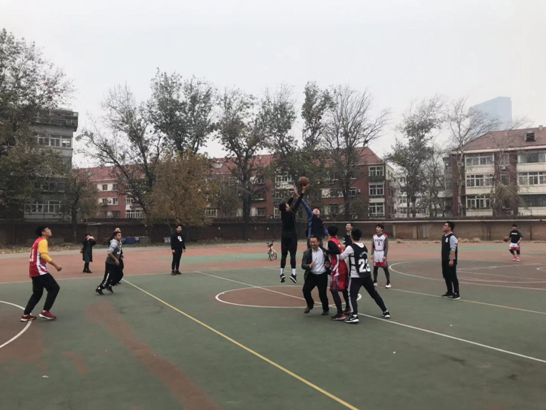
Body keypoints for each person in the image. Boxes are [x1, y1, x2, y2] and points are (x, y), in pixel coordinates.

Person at [338, 229, 390, 324]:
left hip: (356, 275)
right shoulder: (363, 246)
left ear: (351, 236)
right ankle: (385, 311)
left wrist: (340, 250)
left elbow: (341, 257)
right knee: (374, 294)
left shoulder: (351, 247)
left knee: (351, 295)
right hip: (366, 274)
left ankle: (354, 316)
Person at [21, 226, 62, 321]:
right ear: (43, 232)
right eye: (48, 229)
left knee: (37, 293)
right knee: (54, 288)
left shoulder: (37, 241)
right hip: (39, 270)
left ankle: (26, 314)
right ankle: (45, 311)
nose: (50, 230)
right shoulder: (43, 241)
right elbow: (44, 255)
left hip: (33, 270)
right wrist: (56, 265)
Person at [278, 185, 307, 283]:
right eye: (287, 206)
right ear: (286, 208)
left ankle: (281, 273)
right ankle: (293, 274)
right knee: (293, 255)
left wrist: (293, 195)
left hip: (284, 236)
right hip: (292, 236)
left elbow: (288, 202)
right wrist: (302, 192)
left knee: (283, 255)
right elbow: (298, 203)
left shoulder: (283, 213)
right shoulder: (291, 213)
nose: (288, 205)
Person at [324, 226, 349, 321]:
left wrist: (326, 251)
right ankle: (348, 307)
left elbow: (337, 251)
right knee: (344, 288)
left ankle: (340, 313)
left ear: (328, 232)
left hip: (337, 268)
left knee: (334, 290)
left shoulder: (331, 242)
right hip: (342, 266)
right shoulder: (337, 240)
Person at [301, 235, 330, 316]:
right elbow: (303, 265)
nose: (312, 244)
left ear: (318, 242)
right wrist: (310, 265)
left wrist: (328, 265)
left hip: (322, 275)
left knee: (322, 294)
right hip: (312, 275)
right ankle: (310, 304)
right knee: (305, 290)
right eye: (311, 242)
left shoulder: (324, 252)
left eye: (314, 242)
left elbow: (329, 261)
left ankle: (326, 309)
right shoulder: (307, 253)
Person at [96, 231, 122, 295]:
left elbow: (118, 251)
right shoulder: (114, 243)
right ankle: (99, 288)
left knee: (120, 274)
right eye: (118, 235)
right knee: (108, 277)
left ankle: (110, 285)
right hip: (110, 263)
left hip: (116, 262)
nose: (120, 236)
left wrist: (120, 256)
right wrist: (116, 259)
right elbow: (109, 253)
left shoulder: (119, 242)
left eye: (120, 235)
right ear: (115, 237)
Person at [441, 221, 460, 300]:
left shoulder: (452, 237)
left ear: (450, 228)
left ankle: (456, 293)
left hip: (450, 260)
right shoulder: (444, 236)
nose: (443, 227)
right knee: (446, 275)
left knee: (452, 276)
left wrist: (451, 260)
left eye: (445, 225)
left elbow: (453, 249)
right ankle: (449, 291)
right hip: (444, 259)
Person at [372, 224, 391, 288]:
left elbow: (386, 246)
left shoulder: (385, 236)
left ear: (382, 229)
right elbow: (372, 246)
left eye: (378, 227)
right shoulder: (374, 236)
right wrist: (372, 254)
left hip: (382, 253)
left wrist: (385, 255)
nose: (377, 228)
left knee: (385, 268)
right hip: (376, 253)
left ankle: (388, 282)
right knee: (375, 268)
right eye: (376, 227)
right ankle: (375, 281)